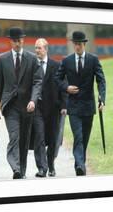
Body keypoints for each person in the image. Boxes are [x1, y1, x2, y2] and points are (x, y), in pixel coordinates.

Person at [54, 31, 106, 176]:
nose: (77, 46)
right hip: (74, 106)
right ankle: (80, 166)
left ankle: (79, 162)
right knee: (78, 136)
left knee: (85, 137)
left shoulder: (93, 60)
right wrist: (66, 87)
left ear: (84, 44)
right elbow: (57, 79)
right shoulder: (67, 61)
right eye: (75, 44)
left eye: (79, 44)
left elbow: (101, 80)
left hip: (88, 106)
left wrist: (102, 98)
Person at [0, 27, 43, 179]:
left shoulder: (32, 58)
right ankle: (15, 167)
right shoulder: (2, 59)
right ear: (11, 41)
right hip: (10, 106)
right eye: (14, 41)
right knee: (14, 136)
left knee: (24, 139)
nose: (17, 43)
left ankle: (21, 170)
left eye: (20, 40)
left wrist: (33, 100)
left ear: (23, 41)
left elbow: (38, 81)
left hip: (27, 106)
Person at [31, 38, 67, 177]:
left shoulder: (57, 66)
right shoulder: (32, 65)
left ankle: (50, 164)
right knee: (39, 137)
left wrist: (64, 105)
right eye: (35, 48)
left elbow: (63, 86)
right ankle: (42, 168)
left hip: (54, 107)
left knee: (53, 139)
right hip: (37, 107)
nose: (37, 51)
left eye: (39, 48)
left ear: (46, 49)